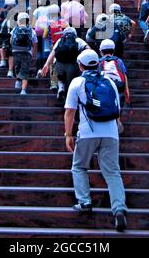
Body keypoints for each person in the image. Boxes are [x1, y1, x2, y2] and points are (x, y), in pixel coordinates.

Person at [64, 49, 127, 232]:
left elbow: (70, 111)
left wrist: (68, 134)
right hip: (111, 133)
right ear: (98, 64)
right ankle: (119, 209)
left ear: (80, 65)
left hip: (87, 132)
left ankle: (84, 202)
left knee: (79, 166)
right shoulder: (110, 82)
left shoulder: (78, 82)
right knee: (113, 172)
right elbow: (116, 109)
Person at [41, 28, 89, 102]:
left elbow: (53, 52)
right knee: (71, 82)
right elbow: (88, 49)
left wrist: (46, 64)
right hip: (73, 65)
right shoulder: (78, 40)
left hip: (59, 64)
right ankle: (70, 100)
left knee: (61, 78)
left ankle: (61, 89)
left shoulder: (60, 40)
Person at [100, 39, 130, 134]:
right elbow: (124, 75)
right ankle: (117, 120)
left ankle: (107, 123)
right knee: (118, 103)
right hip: (119, 86)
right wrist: (127, 92)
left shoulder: (99, 61)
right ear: (113, 50)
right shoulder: (119, 61)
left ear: (100, 51)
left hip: (105, 87)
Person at [10, 13, 38, 95]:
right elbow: (35, 43)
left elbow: (11, 41)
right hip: (27, 52)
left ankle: (18, 81)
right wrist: (34, 54)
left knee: (17, 67)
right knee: (25, 70)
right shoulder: (31, 31)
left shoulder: (15, 29)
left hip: (16, 51)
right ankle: (23, 90)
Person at [0, 0, 18, 72]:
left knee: (2, 44)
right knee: (11, 49)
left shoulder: (3, 10)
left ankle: (2, 60)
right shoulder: (16, 11)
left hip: (3, 28)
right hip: (12, 28)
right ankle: (10, 71)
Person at [33, 0, 52, 76]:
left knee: (39, 50)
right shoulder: (50, 9)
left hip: (38, 31)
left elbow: (33, 23)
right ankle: (46, 69)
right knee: (46, 49)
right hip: (47, 31)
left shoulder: (37, 10)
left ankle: (39, 68)